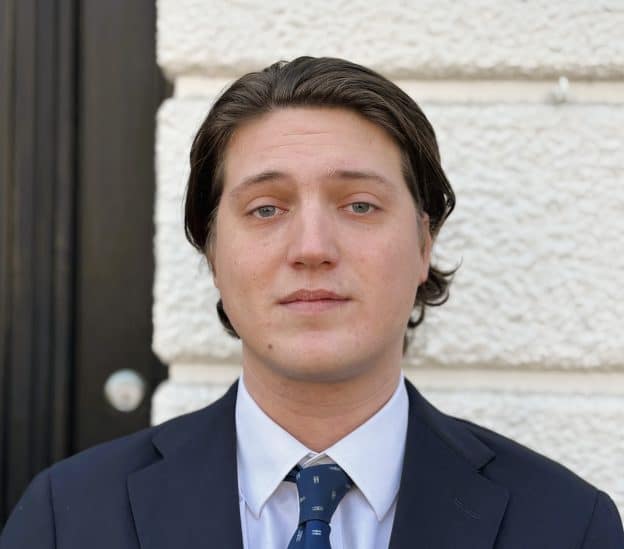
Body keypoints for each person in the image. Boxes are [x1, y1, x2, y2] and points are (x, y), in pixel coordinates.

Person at [1, 56, 622, 549]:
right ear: (212, 252)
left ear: (423, 243)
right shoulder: (67, 518)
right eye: (266, 209)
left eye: (360, 205)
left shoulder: (568, 525)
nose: (312, 248)